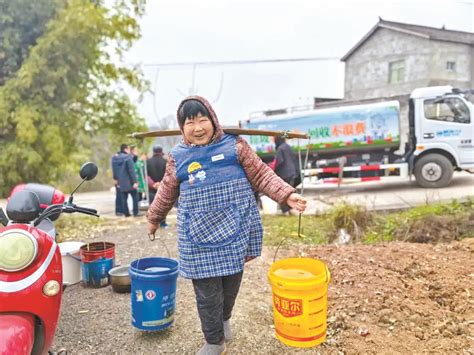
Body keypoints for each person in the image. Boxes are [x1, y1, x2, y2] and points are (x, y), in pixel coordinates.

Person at [146, 97, 306, 354]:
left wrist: (287, 195)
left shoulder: (235, 146)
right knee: (207, 293)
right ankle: (214, 340)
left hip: (235, 227)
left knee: (231, 283)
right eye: (190, 122)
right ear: (182, 127)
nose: (198, 128)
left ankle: (224, 319)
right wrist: (154, 218)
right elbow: (166, 191)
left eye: (202, 120)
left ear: (213, 120)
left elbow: (261, 174)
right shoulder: (178, 156)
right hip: (196, 233)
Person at [273, 136, 301, 214]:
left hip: (284, 175)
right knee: (290, 192)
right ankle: (291, 210)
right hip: (292, 173)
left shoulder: (280, 149)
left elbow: (279, 161)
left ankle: (286, 211)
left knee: (283, 193)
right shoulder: (288, 147)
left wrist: (274, 171)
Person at [112, 144, 140, 217]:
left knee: (124, 198)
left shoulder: (114, 158)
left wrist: (116, 179)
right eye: (128, 149)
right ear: (125, 149)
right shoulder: (127, 157)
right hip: (130, 181)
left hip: (121, 182)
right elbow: (131, 170)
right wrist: (135, 181)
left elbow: (114, 170)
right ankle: (135, 212)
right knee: (135, 197)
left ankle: (126, 213)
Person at [146, 145, 169, 228]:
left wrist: (153, 184)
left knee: (153, 206)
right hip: (163, 187)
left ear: (153, 151)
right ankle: (163, 223)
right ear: (161, 151)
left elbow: (146, 176)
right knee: (163, 206)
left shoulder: (147, 162)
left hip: (151, 188)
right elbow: (168, 175)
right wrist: (161, 184)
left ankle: (153, 223)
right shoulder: (165, 161)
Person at [111, 150, 124, 216]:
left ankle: (119, 210)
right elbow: (115, 170)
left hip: (118, 179)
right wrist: (116, 179)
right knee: (119, 195)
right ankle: (119, 211)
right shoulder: (116, 159)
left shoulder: (114, 159)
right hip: (118, 180)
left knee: (119, 195)